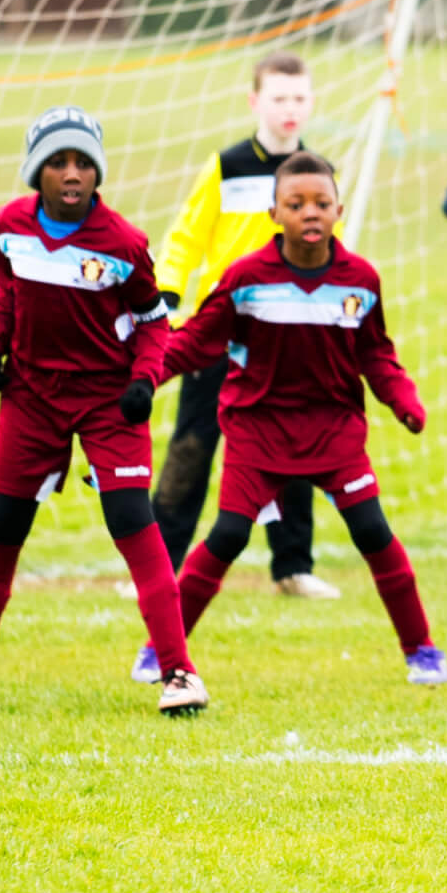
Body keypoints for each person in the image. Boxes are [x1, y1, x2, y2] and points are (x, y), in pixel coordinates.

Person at [0, 107, 204, 716]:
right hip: (32, 396)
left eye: (83, 163)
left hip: (107, 399)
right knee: (3, 526)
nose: (71, 173)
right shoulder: (11, 225)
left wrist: (144, 380)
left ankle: (179, 674)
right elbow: (8, 290)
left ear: (98, 173)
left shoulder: (125, 244)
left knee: (132, 521)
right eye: (58, 162)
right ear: (35, 172)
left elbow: (155, 324)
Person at [135, 151, 445, 686]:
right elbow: (194, 341)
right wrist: (144, 379)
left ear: (339, 210)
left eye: (322, 203)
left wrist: (403, 401)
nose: (310, 213)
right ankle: (162, 649)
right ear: (273, 212)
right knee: (229, 534)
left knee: (372, 530)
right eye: (296, 203)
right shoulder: (246, 279)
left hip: (333, 431)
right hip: (258, 431)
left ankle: (421, 649)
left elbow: (376, 355)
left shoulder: (360, 281)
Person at [151, 51, 329, 597]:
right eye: (279, 97)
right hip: (219, 335)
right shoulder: (226, 166)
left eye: (299, 97)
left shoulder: (318, 173)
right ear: (256, 102)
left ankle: (292, 568)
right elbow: (185, 238)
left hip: (289, 336)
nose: (290, 108)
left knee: (293, 448)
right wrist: (167, 296)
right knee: (191, 447)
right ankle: (159, 568)